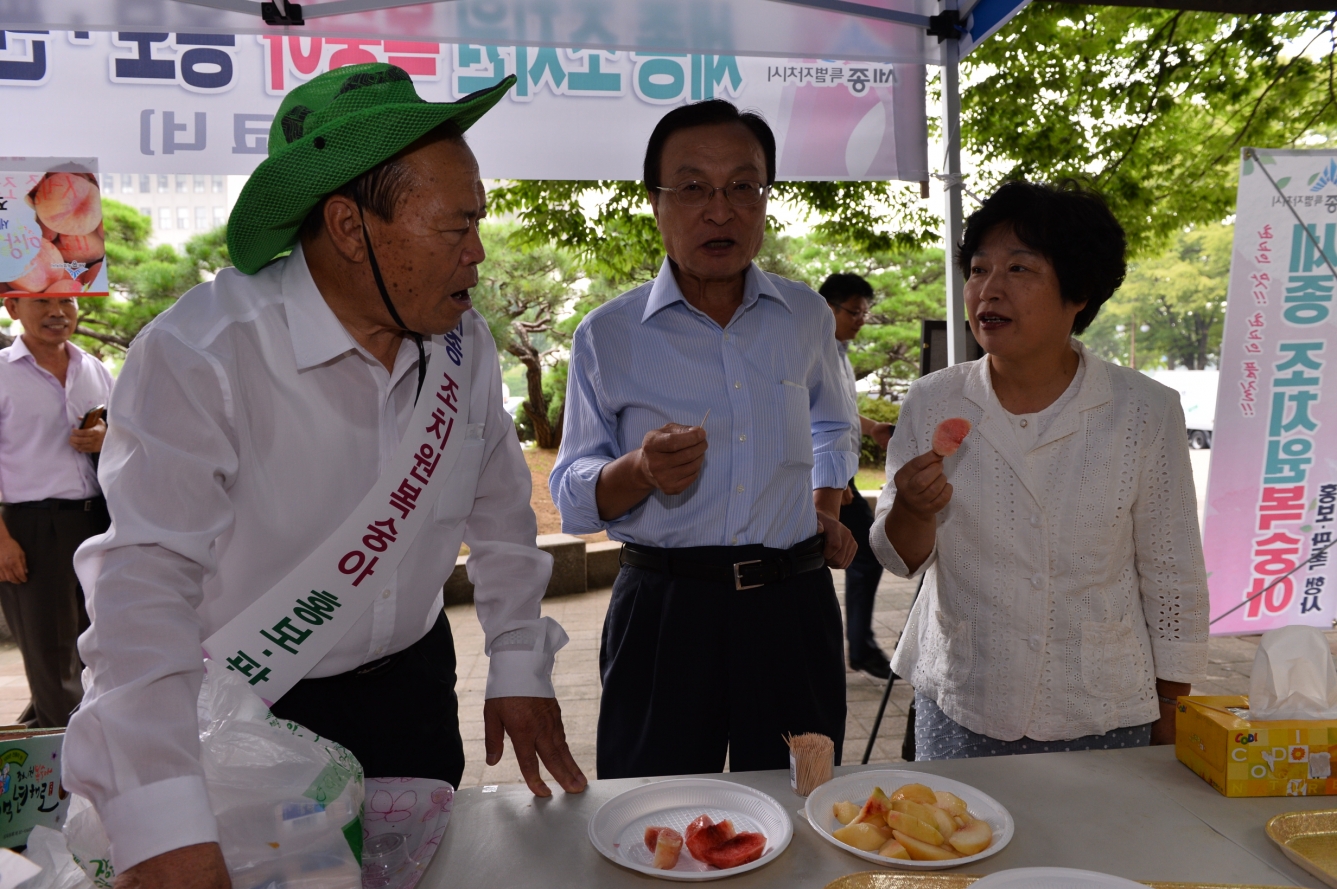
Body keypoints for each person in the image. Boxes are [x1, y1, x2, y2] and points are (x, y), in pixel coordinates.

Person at [64, 65, 586, 889]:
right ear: (349, 226)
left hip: (413, 691)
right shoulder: (204, 354)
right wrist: (164, 824)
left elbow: (498, 516)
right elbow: (142, 592)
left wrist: (519, 662)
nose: (477, 253)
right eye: (456, 227)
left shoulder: (464, 345)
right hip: (253, 718)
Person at [550, 99, 859, 780]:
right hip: (665, 609)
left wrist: (825, 508)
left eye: (743, 187)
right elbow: (572, 489)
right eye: (691, 188)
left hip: (791, 604)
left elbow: (833, 423)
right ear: (655, 203)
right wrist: (637, 470)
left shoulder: (804, 315)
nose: (719, 210)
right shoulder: (608, 333)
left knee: (801, 798)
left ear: (765, 198)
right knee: (651, 806)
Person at [872, 180, 1208, 759]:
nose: (988, 290)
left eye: (1019, 270)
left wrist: (1172, 707)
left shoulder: (1144, 411)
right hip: (965, 693)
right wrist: (910, 506)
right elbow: (900, 558)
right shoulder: (932, 400)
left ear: (1078, 292)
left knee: (1093, 850)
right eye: (978, 270)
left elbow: (1173, 572)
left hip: (1099, 704)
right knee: (959, 844)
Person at [0, 296, 110, 728]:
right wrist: (3, 539)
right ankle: (65, 775)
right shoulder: (3, 373)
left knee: (100, 645)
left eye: (66, 300)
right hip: (29, 527)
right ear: (12, 307)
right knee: (51, 655)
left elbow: (127, 430)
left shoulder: (93, 368)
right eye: (42, 301)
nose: (58, 311)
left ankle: (74, 745)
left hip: (95, 520)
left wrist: (105, 435)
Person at [819, 273, 895, 680]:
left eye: (865, 312)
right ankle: (855, 648)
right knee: (862, 555)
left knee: (857, 556)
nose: (860, 319)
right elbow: (812, 419)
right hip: (824, 481)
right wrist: (825, 486)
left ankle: (855, 646)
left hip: (839, 479)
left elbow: (840, 415)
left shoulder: (839, 352)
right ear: (827, 307)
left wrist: (874, 428)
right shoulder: (814, 351)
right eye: (853, 311)